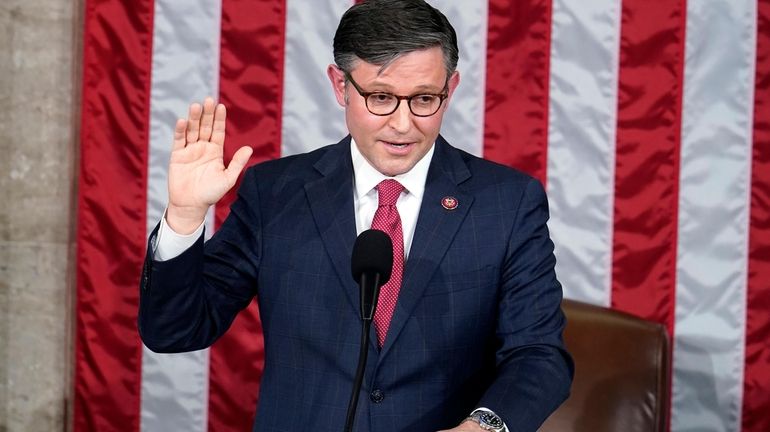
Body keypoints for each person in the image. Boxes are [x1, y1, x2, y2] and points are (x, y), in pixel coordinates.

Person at [138, 0, 573, 431]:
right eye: (381, 97)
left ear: (451, 88)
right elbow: (175, 331)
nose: (403, 125)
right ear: (340, 85)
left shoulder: (506, 202)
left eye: (424, 99)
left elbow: (538, 354)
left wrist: (485, 428)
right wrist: (184, 216)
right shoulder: (275, 194)